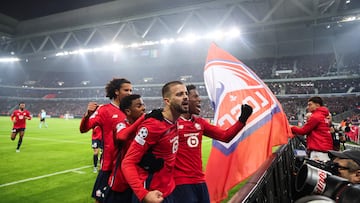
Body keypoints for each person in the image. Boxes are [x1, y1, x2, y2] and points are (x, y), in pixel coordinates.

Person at [172, 84, 253, 203]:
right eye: (195, 96)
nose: (199, 99)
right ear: (185, 99)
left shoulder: (200, 123)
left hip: (200, 181)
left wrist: (242, 120)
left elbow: (225, 136)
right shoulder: (171, 124)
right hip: (181, 183)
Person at [122, 81, 189, 203]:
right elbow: (127, 162)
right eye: (179, 94)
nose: (185, 97)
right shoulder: (153, 126)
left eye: (186, 93)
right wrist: (143, 195)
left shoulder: (175, 121)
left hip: (168, 190)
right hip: (152, 193)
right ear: (167, 101)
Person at [79, 78, 132, 203]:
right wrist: (87, 115)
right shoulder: (104, 110)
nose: (130, 93)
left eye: (131, 90)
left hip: (128, 164)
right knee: (100, 200)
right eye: (126, 90)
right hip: (109, 165)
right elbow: (84, 128)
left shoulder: (130, 110)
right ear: (116, 91)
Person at [105, 94, 146, 203]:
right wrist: (142, 119)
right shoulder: (121, 124)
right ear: (128, 111)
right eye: (139, 106)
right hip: (120, 182)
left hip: (137, 181)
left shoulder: (144, 127)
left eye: (143, 105)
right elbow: (122, 136)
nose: (143, 108)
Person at [291, 96, 333, 162]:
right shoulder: (323, 115)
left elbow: (303, 131)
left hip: (318, 150)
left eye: (310, 104)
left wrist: (290, 127)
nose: (308, 107)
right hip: (323, 148)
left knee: (316, 171)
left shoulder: (316, 116)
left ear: (317, 105)